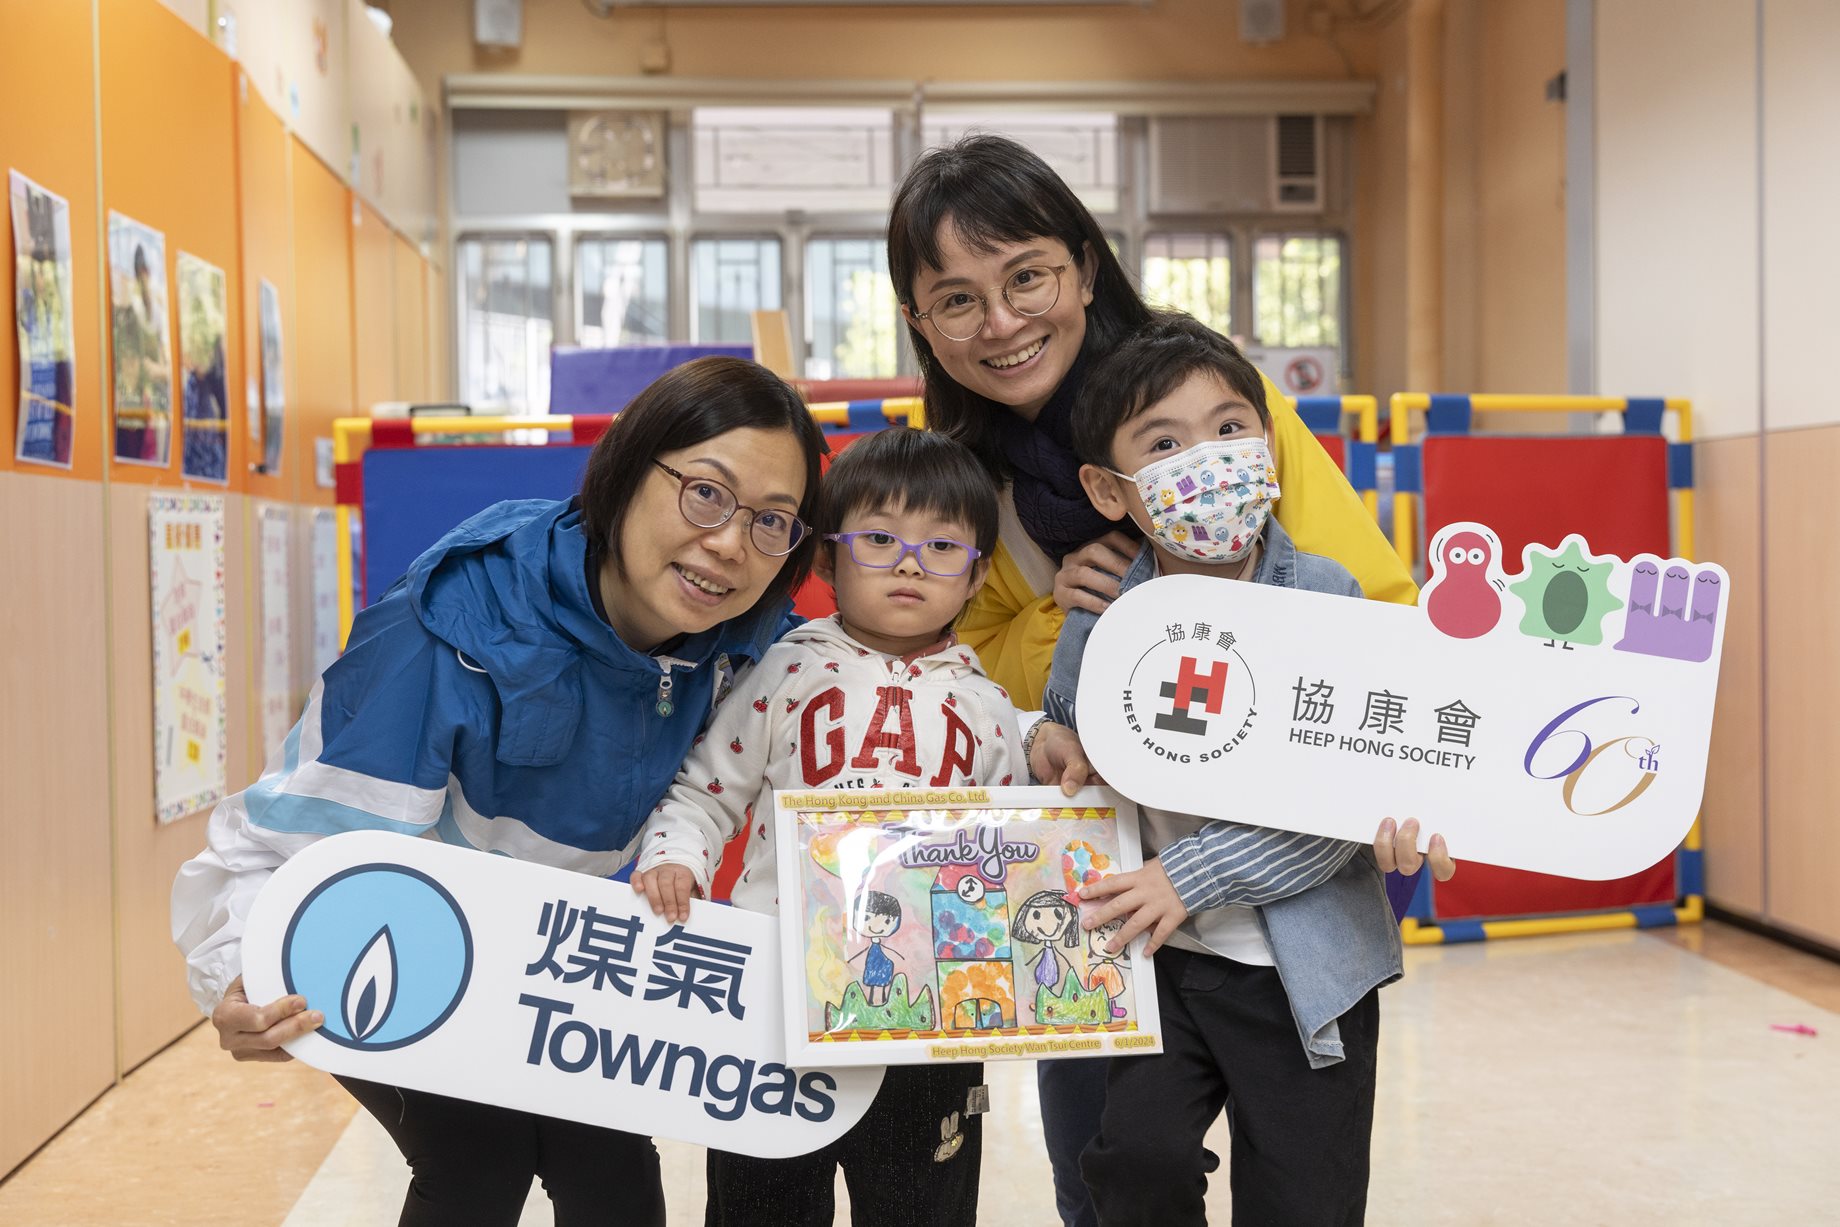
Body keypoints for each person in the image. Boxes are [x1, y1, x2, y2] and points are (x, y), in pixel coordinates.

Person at [888, 135, 1452, 1227]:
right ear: (919, 322)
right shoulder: (964, 478)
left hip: (1281, 904)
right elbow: (963, 661)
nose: (1000, 322)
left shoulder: (1214, 407)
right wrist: (1074, 614)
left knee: (1299, 1174)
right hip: (1100, 904)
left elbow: (1372, 613)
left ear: (1083, 266)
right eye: (956, 300)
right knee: (1107, 1174)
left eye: (1026, 277)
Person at [169, 356, 828, 1227]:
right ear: (628, 469)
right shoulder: (452, 625)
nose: (731, 544)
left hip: (555, 956)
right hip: (405, 935)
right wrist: (243, 970)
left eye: (771, 521)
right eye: (706, 493)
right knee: (477, 1159)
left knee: (614, 1172)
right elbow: (288, 845)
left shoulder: (748, 645)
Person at [1034, 314, 1433, 1225]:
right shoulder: (1104, 619)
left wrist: (1191, 873)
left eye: (1228, 429)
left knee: (1305, 1198)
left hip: (1308, 971)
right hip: (1163, 960)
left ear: (1269, 445)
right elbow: (1063, 737)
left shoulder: (1327, 598)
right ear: (1109, 489)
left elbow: (1339, 801)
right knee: (1135, 1160)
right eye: (1164, 444)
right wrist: (1047, 743)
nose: (1208, 461)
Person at [632, 427, 1022, 1227]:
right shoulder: (785, 668)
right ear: (824, 558)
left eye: (942, 546)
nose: (910, 564)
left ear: (979, 573)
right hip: (775, 998)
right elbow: (707, 789)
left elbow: (1012, 853)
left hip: (926, 1017)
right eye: (879, 539)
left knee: (923, 1205)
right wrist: (677, 856)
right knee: (760, 1203)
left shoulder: (987, 707)